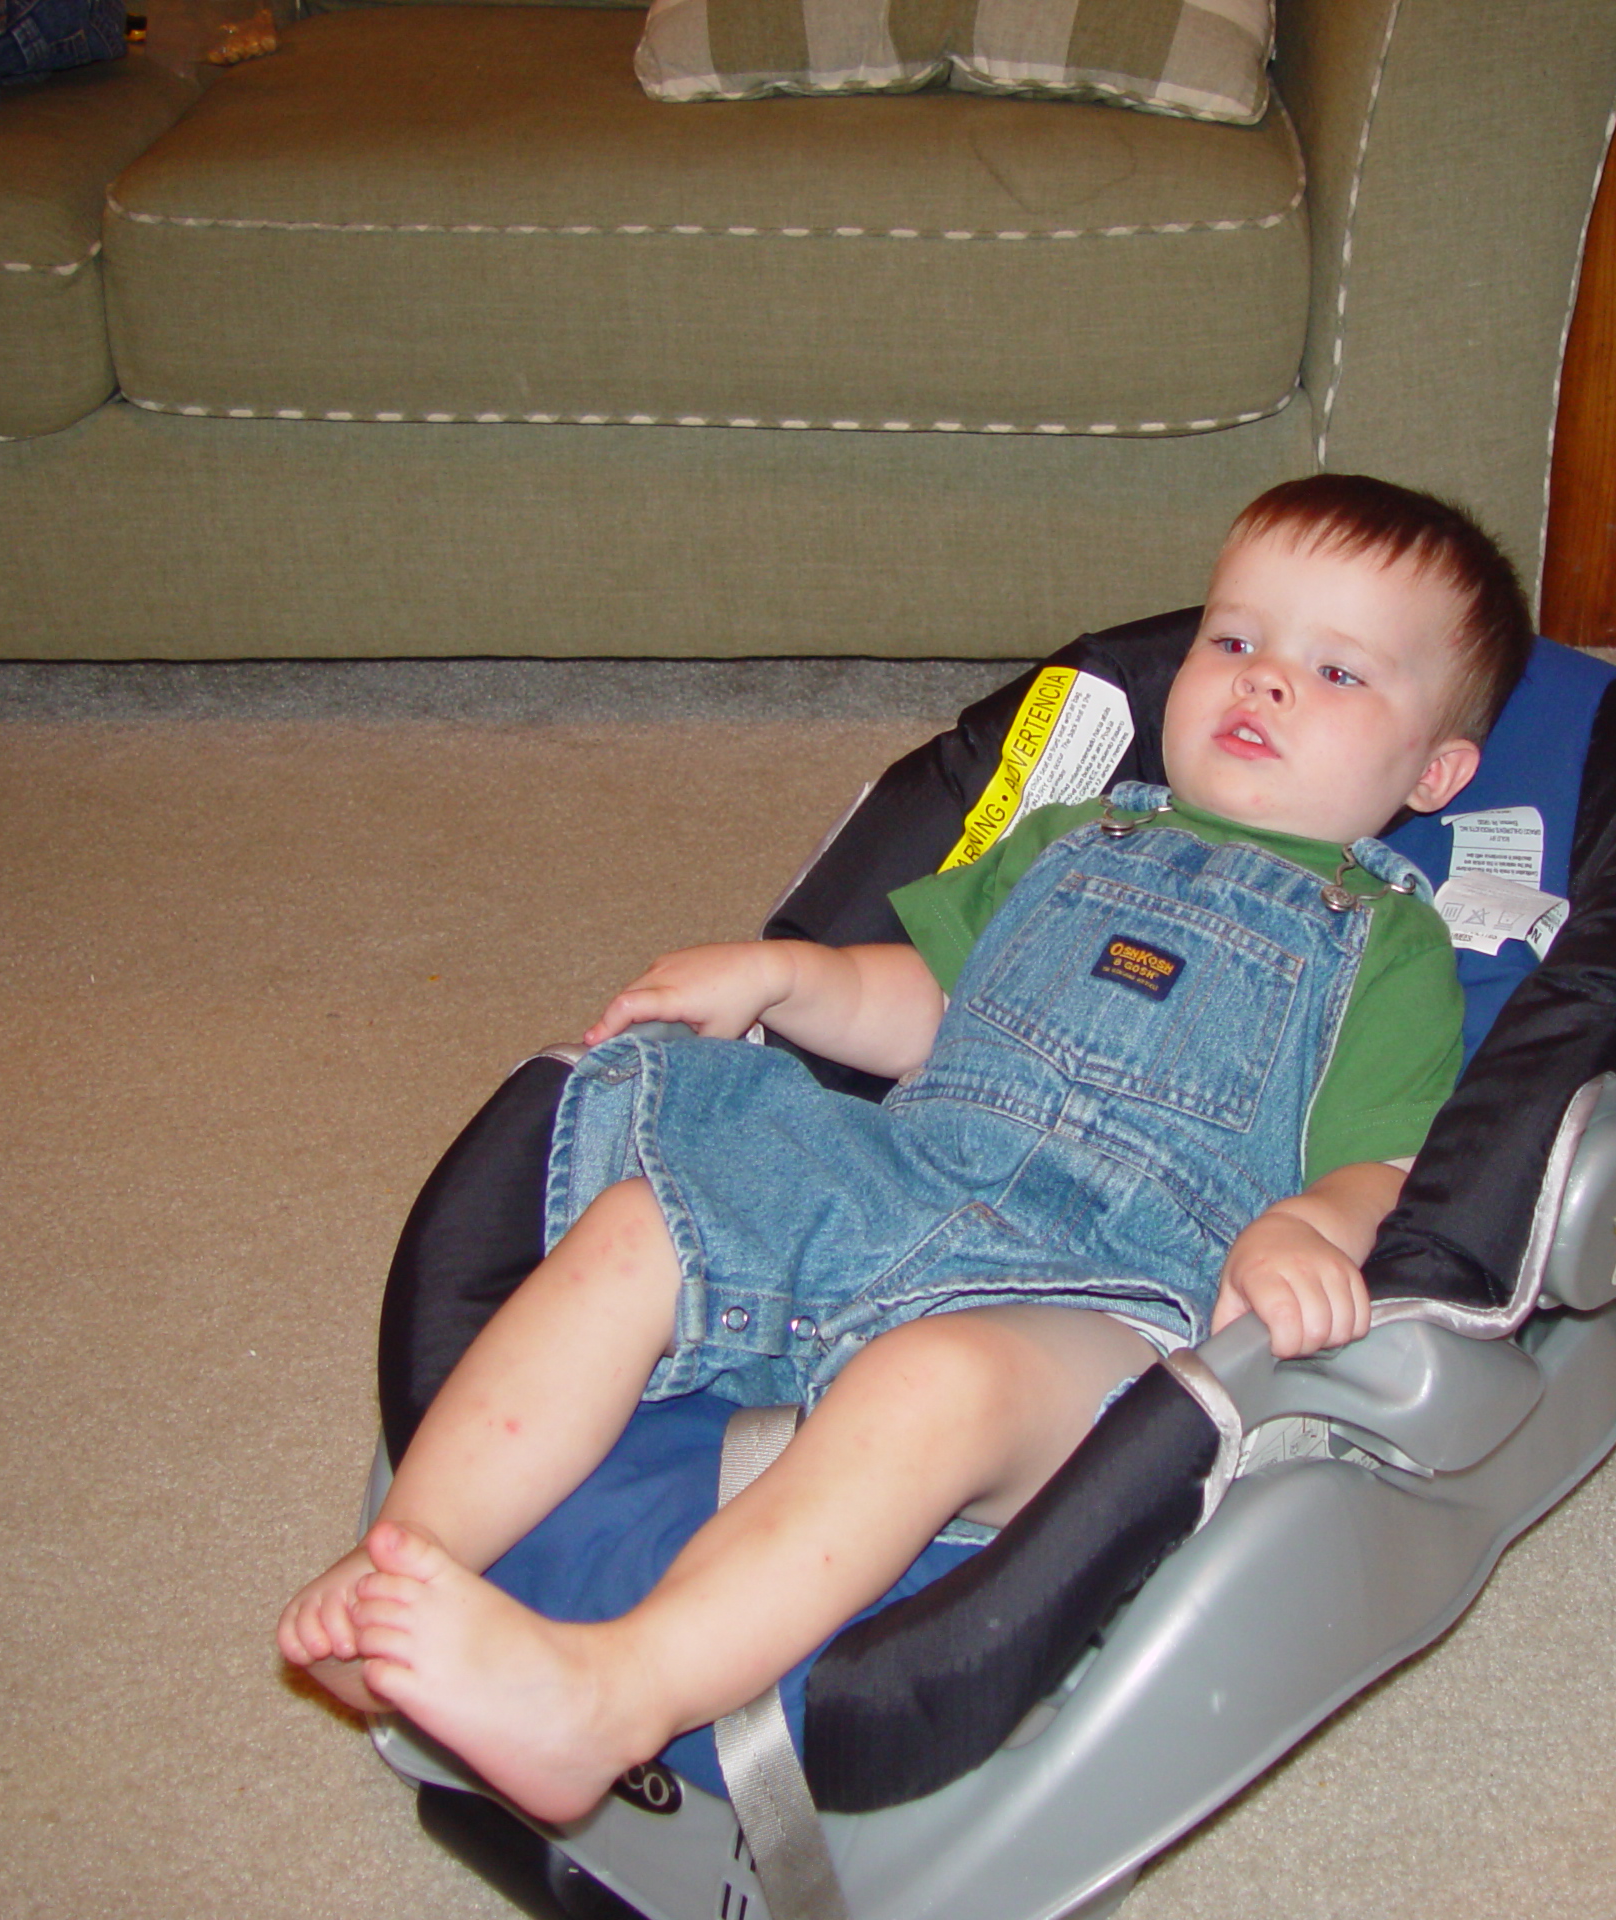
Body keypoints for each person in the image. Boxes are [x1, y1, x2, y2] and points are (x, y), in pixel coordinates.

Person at [277, 474, 1534, 1824]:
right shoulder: (1067, 838)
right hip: (903, 1178)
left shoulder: (1386, 944)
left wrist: (1307, 1227)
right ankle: (412, 1567)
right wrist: (783, 977)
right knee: (646, 1224)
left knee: (939, 1382)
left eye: (1337, 671)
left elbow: (1383, 1165)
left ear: (1436, 773)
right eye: (1236, 640)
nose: (1267, 682)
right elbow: (928, 1008)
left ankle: (609, 1695)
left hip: (1102, 1292)